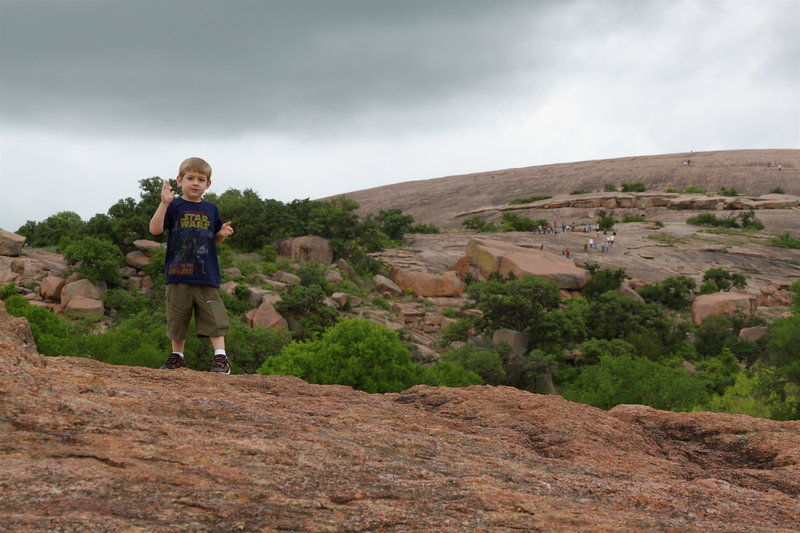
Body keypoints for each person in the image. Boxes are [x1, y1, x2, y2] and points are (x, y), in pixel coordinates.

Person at [149, 157, 235, 374]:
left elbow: (211, 240)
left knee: (214, 316)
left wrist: (221, 235)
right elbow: (155, 230)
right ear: (180, 180)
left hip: (206, 274)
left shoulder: (211, 208)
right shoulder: (174, 205)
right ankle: (177, 357)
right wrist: (164, 203)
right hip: (178, 273)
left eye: (201, 179)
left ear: (208, 184)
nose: (195, 182)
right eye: (190, 178)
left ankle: (221, 359)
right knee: (177, 318)